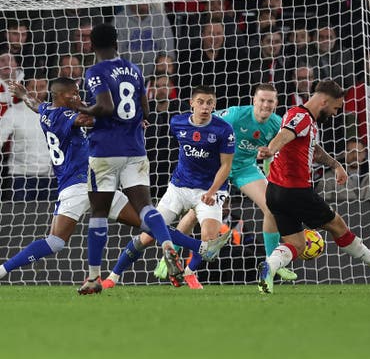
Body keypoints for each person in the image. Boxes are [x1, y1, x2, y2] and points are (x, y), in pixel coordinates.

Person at [0, 78, 221, 284]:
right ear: (62, 97)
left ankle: (202, 249)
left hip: (91, 183)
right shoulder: (64, 116)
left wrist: (23, 93)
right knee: (57, 241)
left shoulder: (48, 110)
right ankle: (5, 269)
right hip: (78, 185)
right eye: (74, 94)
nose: (78, 97)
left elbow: (35, 104)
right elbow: (87, 119)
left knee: (148, 224)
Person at [255, 80, 370, 294]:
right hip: (296, 190)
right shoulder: (303, 118)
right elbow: (285, 135)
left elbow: (313, 150)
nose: (336, 113)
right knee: (337, 224)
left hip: (275, 191)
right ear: (324, 101)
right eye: (335, 108)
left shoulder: (299, 116)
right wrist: (271, 149)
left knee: (297, 244)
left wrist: (336, 165)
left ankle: (269, 267)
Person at [75, 23, 183, 292]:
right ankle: (167, 244)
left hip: (105, 151)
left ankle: (93, 278)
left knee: (99, 212)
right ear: (117, 42)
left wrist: (82, 107)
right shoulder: (134, 70)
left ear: (91, 45)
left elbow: (106, 106)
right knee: (146, 207)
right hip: (135, 149)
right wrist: (137, 121)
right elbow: (145, 111)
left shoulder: (95, 71)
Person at [153, 83, 299, 282]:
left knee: (271, 207)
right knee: (194, 213)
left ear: (276, 103)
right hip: (217, 167)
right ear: (254, 101)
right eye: (262, 100)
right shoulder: (236, 115)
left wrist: (270, 162)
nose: (265, 105)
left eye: (270, 101)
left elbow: (279, 150)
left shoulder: (277, 124)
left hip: (244, 169)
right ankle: (169, 258)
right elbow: (208, 122)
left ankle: (272, 263)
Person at [102, 86, 235, 290]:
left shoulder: (223, 130)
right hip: (179, 188)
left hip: (209, 191)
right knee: (147, 235)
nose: (205, 107)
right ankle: (113, 277)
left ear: (214, 105)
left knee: (209, 239)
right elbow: (154, 129)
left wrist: (211, 193)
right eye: (200, 102)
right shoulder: (177, 122)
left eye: (209, 102)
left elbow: (226, 166)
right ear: (192, 103)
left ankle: (189, 273)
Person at [0, 77, 53, 201]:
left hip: (50, 177)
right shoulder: (14, 112)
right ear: (26, 89)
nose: (37, 91)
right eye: (33, 87)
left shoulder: (54, 112)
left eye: (41, 87)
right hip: (20, 177)